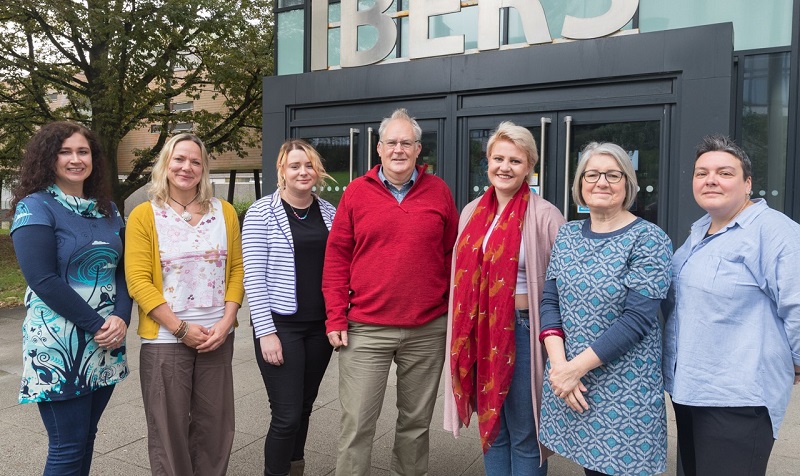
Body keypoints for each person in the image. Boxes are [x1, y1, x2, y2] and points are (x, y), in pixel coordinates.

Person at [322, 108, 459, 475]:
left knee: (415, 426)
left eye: (407, 143)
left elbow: (451, 256)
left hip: (427, 329)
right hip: (366, 328)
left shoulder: (439, 192)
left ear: (418, 150)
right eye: (392, 142)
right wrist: (335, 315)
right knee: (356, 426)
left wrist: (449, 312)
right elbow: (337, 257)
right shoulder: (355, 192)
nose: (399, 149)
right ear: (379, 149)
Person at [662, 135, 800, 476]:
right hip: (692, 390)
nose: (710, 179)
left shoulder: (774, 232)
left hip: (739, 397)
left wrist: (795, 362)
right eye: (701, 172)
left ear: (747, 183)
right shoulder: (699, 231)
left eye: (724, 172)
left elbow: (797, 304)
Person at [537, 142, 672, 476]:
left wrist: (573, 371)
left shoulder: (649, 238)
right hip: (572, 380)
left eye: (613, 175)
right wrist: (559, 367)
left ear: (627, 184)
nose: (601, 182)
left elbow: (636, 320)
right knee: (592, 468)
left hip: (624, 385)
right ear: (580, 184)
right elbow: (550, 302)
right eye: (592, 174)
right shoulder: (567, 234)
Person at [10, 121, 132, 475]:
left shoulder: (108, 208)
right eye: (65, 152)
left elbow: (122, 270)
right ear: (49, 158)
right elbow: (42, 279)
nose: (76, 159)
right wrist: (98, 324)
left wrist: (122, 317)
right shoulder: (35, 207)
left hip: (107, 340)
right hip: (60, 346)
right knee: (67, 447)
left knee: (86, 437)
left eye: (83, 151)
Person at [443, 122, 565, 475]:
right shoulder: (471, 212)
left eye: (515, 160)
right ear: (487, 162)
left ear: (529, 166)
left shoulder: (544, 215)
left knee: (526, 433)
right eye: (498, 158)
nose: (505, 167)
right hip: (480, 330)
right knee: (493, 430)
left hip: (524, 332)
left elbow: (562, 283)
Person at [125, 133, 244, 476]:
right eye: (179, 159)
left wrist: (226, 322)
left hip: (216, 336)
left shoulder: (224, 212)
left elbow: (236, 270)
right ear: (165, 163)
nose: (186, 167)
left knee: (215, 428)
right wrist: (180, 328)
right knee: (168, 431)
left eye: (195, 161)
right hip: (166, 338)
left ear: (204, 168)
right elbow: (138, 281)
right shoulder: (145, 215)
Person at [243, 139, 336, 476]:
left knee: (305, 407)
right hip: (282, 327)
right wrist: (265, 333)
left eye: (308, 165)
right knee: (285, 415)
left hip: (319, 327)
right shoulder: (260, 212)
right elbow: (253, 276)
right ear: (281, 170)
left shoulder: (329, 212)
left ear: (317, 171)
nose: (302, 171)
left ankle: (295, 469)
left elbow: (339, 267)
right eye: (294, 165)